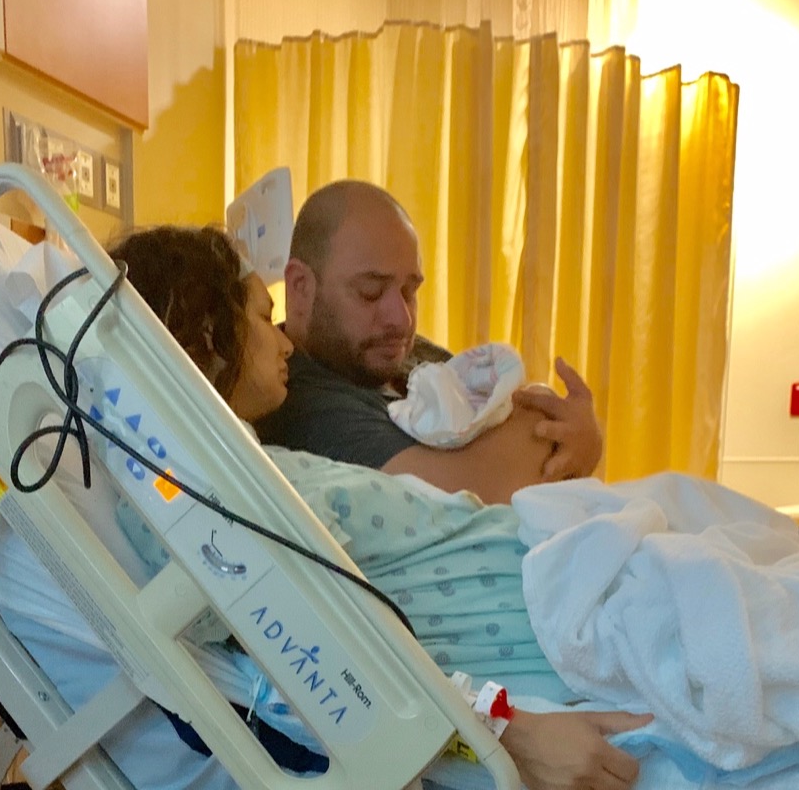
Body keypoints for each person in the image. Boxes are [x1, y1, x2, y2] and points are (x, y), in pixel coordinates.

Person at [109, 225, 651, 790]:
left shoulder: (250, 466)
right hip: (572, 621)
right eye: (264, 319)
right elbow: (335, 667)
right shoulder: (203, 495)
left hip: (578, 575)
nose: (285, 343)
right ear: (206, 334)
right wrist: (506, 731)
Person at [255, 180, 603, 504]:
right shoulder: (298, 401)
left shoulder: (393, 351)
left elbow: (512, 422)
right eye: (371, 292)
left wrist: (576, 435)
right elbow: (475, 490)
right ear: (301, 287)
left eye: (410, 291)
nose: (401, 319)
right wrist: (573, 442)